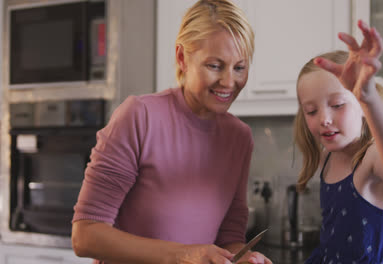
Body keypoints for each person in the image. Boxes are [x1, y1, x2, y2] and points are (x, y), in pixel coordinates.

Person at [71, 0, 272, 263]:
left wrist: (241, 258)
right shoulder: (139, 117)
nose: (229, 82)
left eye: (239, 67)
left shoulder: (240, 137)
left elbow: (229, 234)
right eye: (215, 65)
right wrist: (183, 255)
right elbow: (85, 236)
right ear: (182, 58)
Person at [293, 20, 383, 264]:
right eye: (310, 111)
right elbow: (331, 246)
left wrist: (369, 98)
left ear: (361, 105)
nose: (324, 120)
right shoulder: (327, 158)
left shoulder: (371, 157)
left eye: (338, 105)